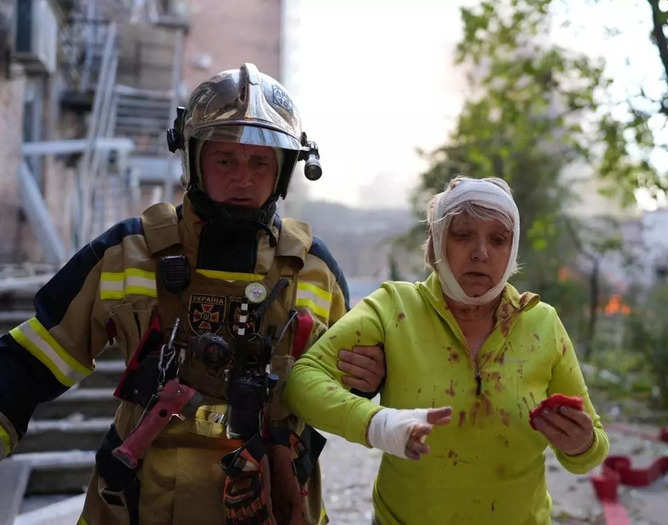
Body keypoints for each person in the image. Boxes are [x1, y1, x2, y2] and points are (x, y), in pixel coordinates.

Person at [0, 63, 386, 525]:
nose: (243, 177)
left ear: (284, 171)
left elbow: (346, 384)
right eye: (226, 160)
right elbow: (31, 361)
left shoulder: (315, 271)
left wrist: (369, 379)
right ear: (193, 160)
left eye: (260, 162)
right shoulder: (128, 254)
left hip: (275, 500)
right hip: (138, 502)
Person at [284, 176, 609, 524]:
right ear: (437, 243)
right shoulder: (393, 308)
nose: (481, 252)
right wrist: (379, 423)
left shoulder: (542, 323)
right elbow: (303, 380)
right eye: (463, 235)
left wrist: (581, 443)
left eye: (498, 239)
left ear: (512, 250)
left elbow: (593, 451)